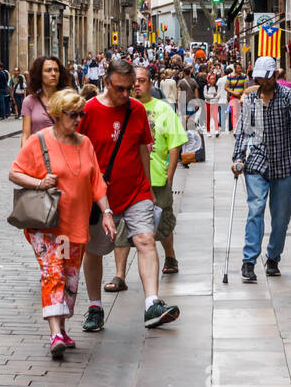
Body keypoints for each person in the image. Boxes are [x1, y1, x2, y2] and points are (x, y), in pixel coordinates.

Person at [10, 89, 114, 360]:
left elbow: (97, 183)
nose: (78, 119)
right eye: (72, 114)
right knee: (53, 273)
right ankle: (55, 332)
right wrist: (39, 182)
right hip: (47, 225)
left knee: (69, 277)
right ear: (57, 115)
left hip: (75, 224)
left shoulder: (85, 143)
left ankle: (63, 329)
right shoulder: (39, 140)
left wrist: (107, 212)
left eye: (81, 114)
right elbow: (15, 172)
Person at [79, 57, 180, 332]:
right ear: (107, 83)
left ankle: (152, 304)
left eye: (129, 88)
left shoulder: (136, 110)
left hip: (136, 192)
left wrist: (148, 190)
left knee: (146, 240)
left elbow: (142, 150)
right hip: (100, 197)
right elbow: (79, 154)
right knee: (94, 251)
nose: (126, 94)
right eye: (119, 88)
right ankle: (95, 307)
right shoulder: (88, 111)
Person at [232, 56, 291, 282]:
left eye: (266, 77)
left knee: (281, 216)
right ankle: (249, 261)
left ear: (274, 76)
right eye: (258, 77)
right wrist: (238, 157)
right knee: (255, 209)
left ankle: (273, 256)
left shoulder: (289, 97)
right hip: (257, 161)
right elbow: (243, 132)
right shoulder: (249, 100)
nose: (262, 81)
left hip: (285, 163)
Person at [107, 67, 186, 288]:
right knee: (123, 227)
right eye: (135, 81)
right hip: (128, 180)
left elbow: (174, 145)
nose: (137, 85)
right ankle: (120, 275)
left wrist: (169, 178)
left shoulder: (163, 109)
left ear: (151, 83)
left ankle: (170, 256)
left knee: (162, 224)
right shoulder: (122, 110)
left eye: (142, 81)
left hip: (157, 179)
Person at [20, 55, 75, 149]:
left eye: (56, 70)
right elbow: (26, 135)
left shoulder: (68, 99)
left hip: (63, 153)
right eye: (48, 70)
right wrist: (24, 158)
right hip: (39, 156)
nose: (53, 74)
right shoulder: (29, 101)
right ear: (39, 74)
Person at [225, 66, 245, 132]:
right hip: (233, 98)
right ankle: (235, 128)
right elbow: (226, 87)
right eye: (238, 68)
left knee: (241, 113)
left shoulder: (244, 76)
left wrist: (242, 94)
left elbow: (246, 88)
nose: (240, 69)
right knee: (234, 114)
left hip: (241, 98)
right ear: (235, 69)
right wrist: (233, 92)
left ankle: (240, 128)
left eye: (240, 68)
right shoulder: (230, 76)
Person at [215, 68, 229, 132]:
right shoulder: (230, 79)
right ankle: (230, 127)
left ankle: (222, 127)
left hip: (221, 98)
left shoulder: (220, 79)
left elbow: (218, 88)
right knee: (229, 114)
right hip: (228, 98)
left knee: (222, 113)